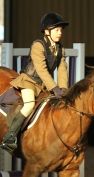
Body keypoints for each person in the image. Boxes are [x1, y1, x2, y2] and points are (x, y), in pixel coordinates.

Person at [0, 12, 69, 152]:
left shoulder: (60, 49)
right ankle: (10, 137)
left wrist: (63, 89)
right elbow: (42, 70)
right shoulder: (38, 45)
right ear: (47, 31)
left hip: (43, 85)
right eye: (57, 30)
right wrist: (54, 87)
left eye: (61, 30)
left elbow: (62, 70)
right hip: (29, 81)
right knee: (29, 104)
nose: (60, 33)